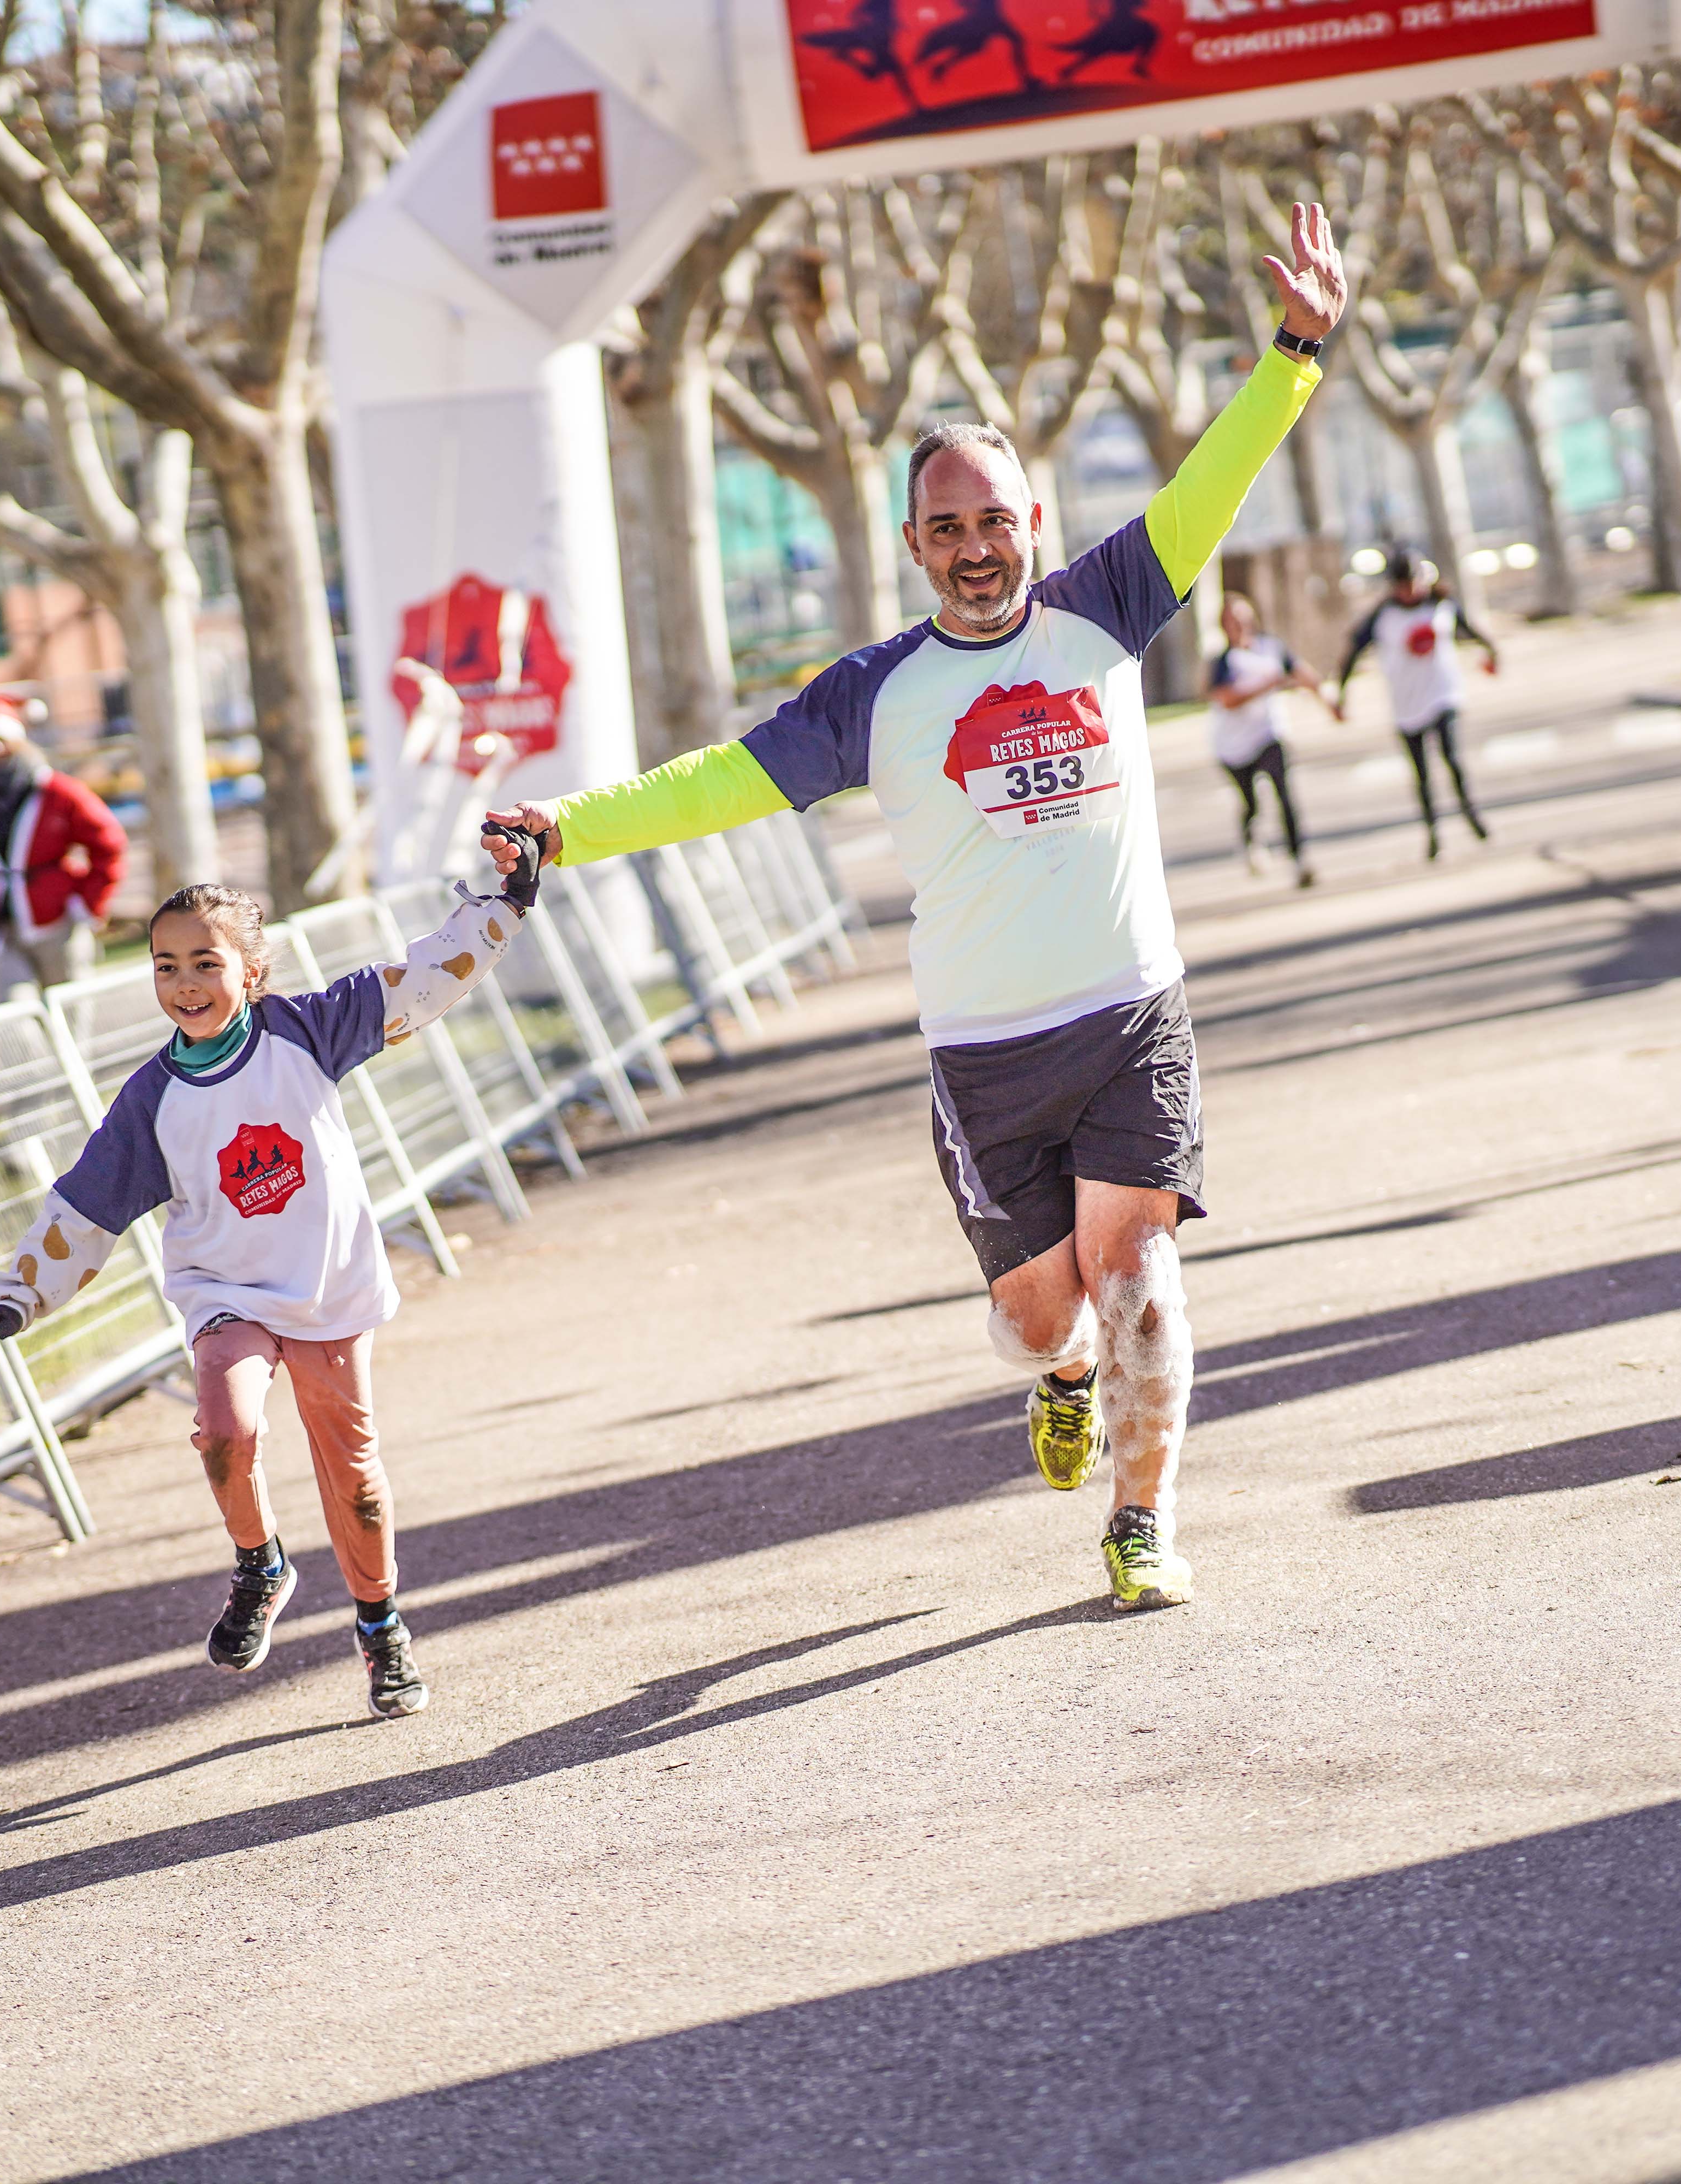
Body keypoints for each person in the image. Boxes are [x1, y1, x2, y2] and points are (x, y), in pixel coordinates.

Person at [483, 200, 1352, 1614]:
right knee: (1047, 1313)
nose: (974, 547)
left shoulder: (1110, 604)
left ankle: (1143, 1523)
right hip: (988, 1054)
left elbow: (1220, 476)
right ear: (912, 540)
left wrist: (1294, 354)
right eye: (946, 527)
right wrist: (568, 829)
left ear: (1034, 524)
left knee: (1138, 1274)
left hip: (1129, 1012)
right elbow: (725, 783)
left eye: (994, 521)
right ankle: (1063, 1380)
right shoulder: (874, 696)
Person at [0, 850, 546, 1718]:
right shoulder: (151, 1100)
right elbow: (83, 1210)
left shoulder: (309, 1030)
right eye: (166, 966)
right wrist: (14, 1295)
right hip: (224, 1290)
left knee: (358, 1482)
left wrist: (505, 905)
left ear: (252, 973)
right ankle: (260, 1563)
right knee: (227, 1429)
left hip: (325, 1289)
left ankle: (381, 1628)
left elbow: (426, 976)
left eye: (206, 963)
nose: (185, 984)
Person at [0, 695, 127, 1001]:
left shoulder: (56, 791)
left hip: (57, 919)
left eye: (1, 741)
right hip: (0, 930)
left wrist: (88, 902)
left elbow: (108, 842)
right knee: (12, 1015)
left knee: (70, 1008)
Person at [1331, 550, 1497, 861]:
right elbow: (1352, 653)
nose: (1410, 590)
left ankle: (1471, 813)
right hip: (1406, 704)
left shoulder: (1440, 605)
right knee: (1421, 773)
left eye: (1414, 582)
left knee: (1452, 758)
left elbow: (1470, 629)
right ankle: (1433, 832)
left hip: (1443, 694)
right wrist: (1341, 694)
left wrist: (1491, 652)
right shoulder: (1382, 617)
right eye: (1403, 584)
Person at [1206, 595, 1313, 886]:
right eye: (1231, 621)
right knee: (1252, 804)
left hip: (1268, 734)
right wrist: (1267, 684)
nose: (1238, 625)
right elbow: (1227, 699)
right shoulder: (1223, 662)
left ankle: (1299, 859)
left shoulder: (1271, 648)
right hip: (1233, 746)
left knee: (1284, 792)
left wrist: (1330, 701)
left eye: (1242, 618)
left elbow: (1300, 672)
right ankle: (1252, 841)